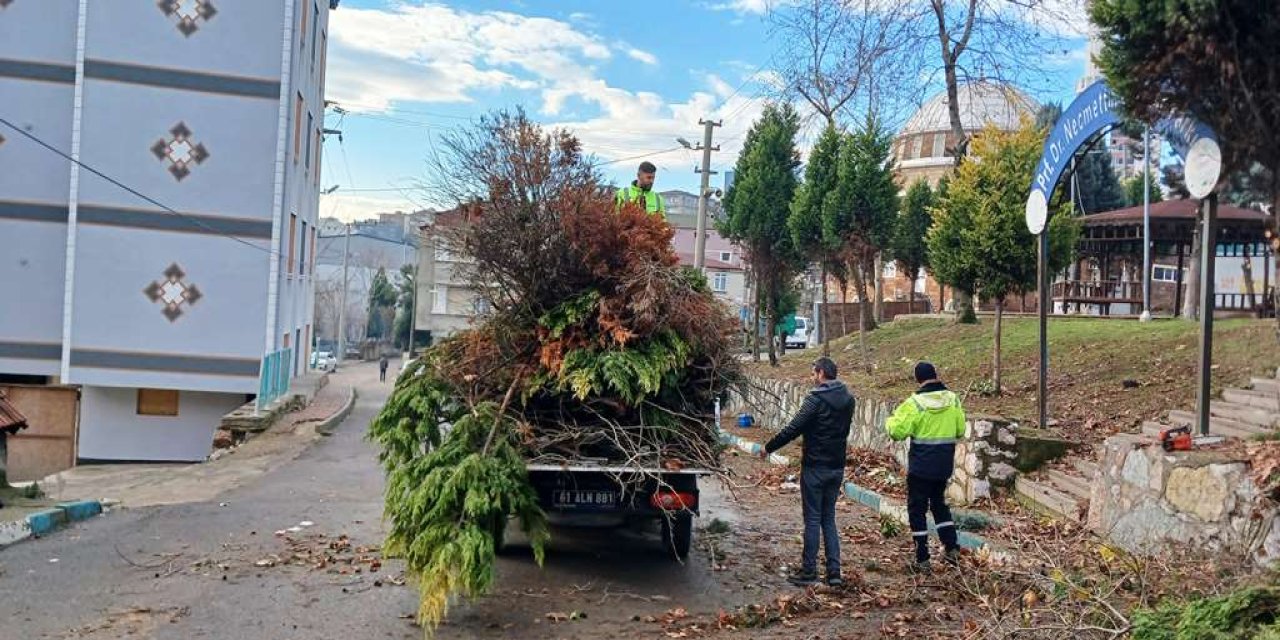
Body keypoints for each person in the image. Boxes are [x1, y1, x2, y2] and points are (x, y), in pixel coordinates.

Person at [759, 357, 855, 587]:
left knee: (812, 519)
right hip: (836, 466)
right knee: (828, 519)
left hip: (815, 467)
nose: (813, 378)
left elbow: (794, 428)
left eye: (814, 373)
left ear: (821, 373)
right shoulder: (848, 400)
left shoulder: (816, 399)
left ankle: (809, 571)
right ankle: (834, 573)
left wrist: (768, 447)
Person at [885, 362, 967, 573]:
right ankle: (951, 547)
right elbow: (960, 430)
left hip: (921, 466)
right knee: (939, 505)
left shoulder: (914, 403)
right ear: (935, 375)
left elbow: (897, 431)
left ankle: (922, 557)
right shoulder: (953, 400)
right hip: (943, 465)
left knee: (917, 509)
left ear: (917, 379)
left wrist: (890, 420)